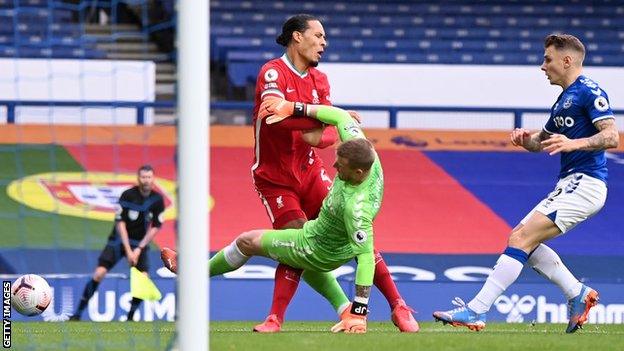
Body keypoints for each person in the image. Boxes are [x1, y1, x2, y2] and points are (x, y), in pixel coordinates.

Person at [433, 34, 619, 333]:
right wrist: (525, 140)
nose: (542, 66)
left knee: (521, 240)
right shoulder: (562, 102)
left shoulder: (589, 91)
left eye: (547, 59)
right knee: (522, 241)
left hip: (586, 184)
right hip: (570, 184)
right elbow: (540, 142)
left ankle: (476, 310)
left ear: (567, 60)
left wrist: (575, 143)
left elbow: (611, 136)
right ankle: (577, 293)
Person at [248, 13, 418, 333]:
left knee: (353, 229)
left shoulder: (320, 80)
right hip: (274, 177)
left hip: (310, 170)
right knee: (297, 240)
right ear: (297, 37)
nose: (324, 43)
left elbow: (318, 138)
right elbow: (273, 111)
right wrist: (327, 118)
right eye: (319, 35)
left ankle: (398, 304)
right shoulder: (273, 71)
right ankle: (278, 317)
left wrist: (328, 125)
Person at [165, 100, 388, 333]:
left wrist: (360, 312)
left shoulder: (356, 208)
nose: (334, 165)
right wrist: (293, 108)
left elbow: (365, 259)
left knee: (246, 241)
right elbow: (341, 116)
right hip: (326, 234)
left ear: (359, 172)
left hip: (318, 247)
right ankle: (344, 307)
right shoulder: (364, 153)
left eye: (340, 166)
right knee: (278, 241)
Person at [70, 165, 165, 321]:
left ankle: (130, 317)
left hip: (139, 244)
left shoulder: (157, 200)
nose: (146, 180)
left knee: (143, 278)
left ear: (153, 179)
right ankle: (77, 314)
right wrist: (128, 250)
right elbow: (120, 223)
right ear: (138, 178)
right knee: (99, 273)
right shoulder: (128, 195)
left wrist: (139, 249)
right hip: (118, 240)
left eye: (149, 177)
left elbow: (156, 226)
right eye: (143, 177)